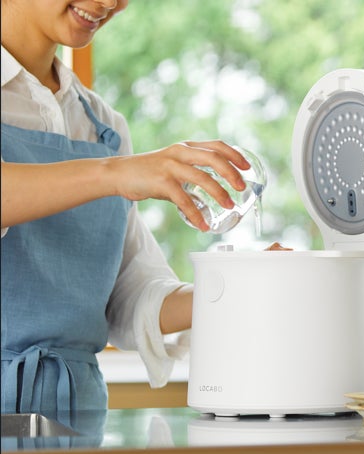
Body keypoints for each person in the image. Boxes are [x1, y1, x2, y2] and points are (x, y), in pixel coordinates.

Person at [1, 0, 250, 416]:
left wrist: (245, 286)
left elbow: (130, 295)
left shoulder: (102, 125)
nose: (107, 3)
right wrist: (114, 173)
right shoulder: (113, 164)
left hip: (74, 416)